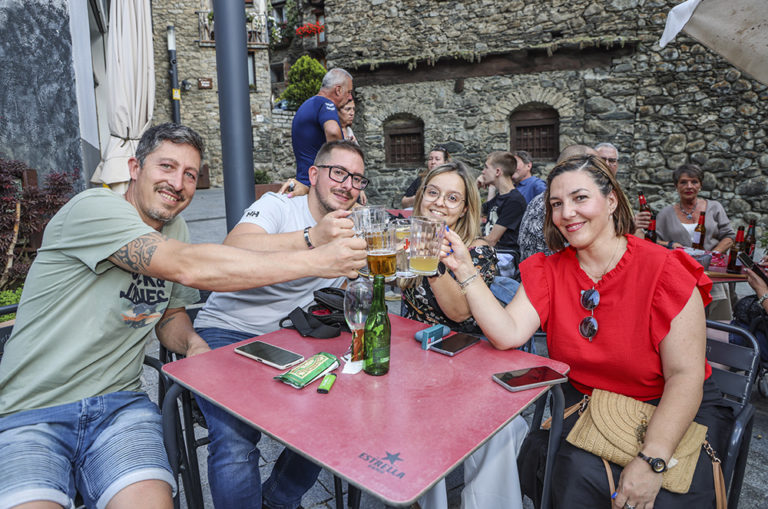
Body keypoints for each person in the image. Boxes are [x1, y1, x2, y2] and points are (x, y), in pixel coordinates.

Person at [0, 124, 366, 509]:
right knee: (235, 437)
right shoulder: (94, 207)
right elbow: (187, 266)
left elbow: (170, 315)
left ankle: (276, 501)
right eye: (167, 167)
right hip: (32, 411)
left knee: (335, 406)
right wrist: (316, 256)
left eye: (190, 174)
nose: (177, 183)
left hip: (119, 408)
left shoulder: (176, 227)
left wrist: (193, 345)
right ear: (135, 168)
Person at [442, 154, 730, 509]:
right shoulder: (549, 271)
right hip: (591, 407)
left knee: (660, 495)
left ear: (611, 201)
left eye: (580, 198)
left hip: (669, 407)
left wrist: (652, 458)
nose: (567, 213)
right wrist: (465, 271)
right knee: (572, 473)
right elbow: (508, 333)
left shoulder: (664, 270)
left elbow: (685, 376)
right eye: (556, 204)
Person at [192, 140, 368, 509]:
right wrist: (311, 238)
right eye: (338, 173)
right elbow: (235, 247)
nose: (347, 185)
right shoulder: (279, 205)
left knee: (339, 413)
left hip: (294, 337)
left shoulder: (354, 227)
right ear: (314, 174)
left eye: (356, 178)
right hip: (229, 329)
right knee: (235, 438)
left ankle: (277, 501)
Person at [400, 161, 527, 509]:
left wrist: (430, 260)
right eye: (433, 192)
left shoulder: (477, 250)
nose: (439, 203)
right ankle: (415, 494)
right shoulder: (406, 237)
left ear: (465, 208)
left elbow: (460, 313)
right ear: (421, 196)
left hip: (465, 365)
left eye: (452, 198)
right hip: (415, 358)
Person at [656, 163, 735, 320]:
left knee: (716, 321)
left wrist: (713, 254)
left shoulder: (714, 208)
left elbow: (729, 236)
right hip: (679, 275)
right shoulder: (665, 214)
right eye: (683, 182)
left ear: (701, 185)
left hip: (711, 273)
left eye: (694, 181)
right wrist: (670, 245)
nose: (689, 186)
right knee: (685, 317)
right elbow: (654, 242)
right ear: (676, 186)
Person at [285, 67, 354, 197]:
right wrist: (344, 156)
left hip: (304, 184)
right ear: (338, 90)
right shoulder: (326, 103)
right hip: (318, 189)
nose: (350, 97)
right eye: (349, 92)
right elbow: (333, 132)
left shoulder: (307, 105)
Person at [479, 151, 527, 276]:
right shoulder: (499, 198)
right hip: (490, 252)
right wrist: (475, 187)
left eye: (486, 167)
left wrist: (466, 244)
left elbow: (492, 240)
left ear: (497, 172)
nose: (483, 172)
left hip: (505, 257)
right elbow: (472, 210)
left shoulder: (514, 201)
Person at [594, 142, 651, 233]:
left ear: (617, 165)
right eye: (602, 159)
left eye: (612, 161)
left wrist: (634, 224)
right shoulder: (587, 188)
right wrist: (631, 225)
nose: (607, 164)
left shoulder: (618, 191)